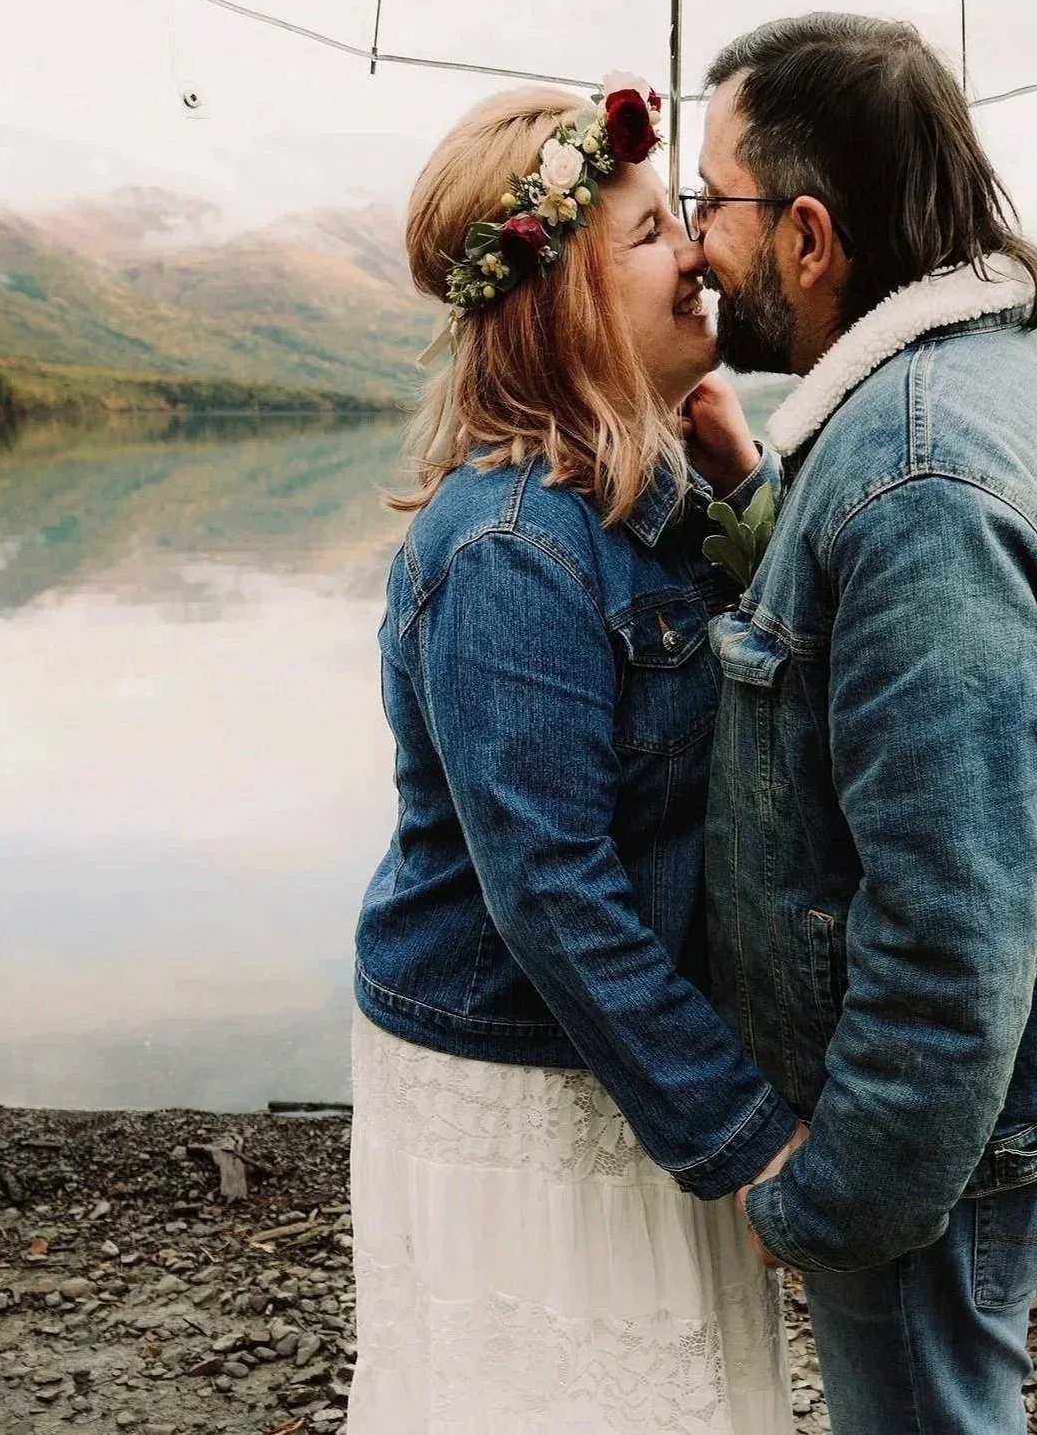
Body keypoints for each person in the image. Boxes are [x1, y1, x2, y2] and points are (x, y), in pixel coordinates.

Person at [688, 13, 1037, 1435]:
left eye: (711, 202)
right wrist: (755, 498)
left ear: (811, 238)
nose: (696, 239)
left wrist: (832, 1199)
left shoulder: (919, 483)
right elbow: (873, 678)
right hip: (968, 1125)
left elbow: (949, 935)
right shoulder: (962, 396)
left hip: (924, 1154)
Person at [348, 77, 801, 1435]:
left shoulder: (656, 502)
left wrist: (746, 487)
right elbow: (549, 890)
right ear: (564, 299)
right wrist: (744, 1141)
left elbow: (794, 694)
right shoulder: (508, 550)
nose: (701, 255)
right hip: (524, 1076)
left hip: (627, 1055)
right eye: (655, 232)